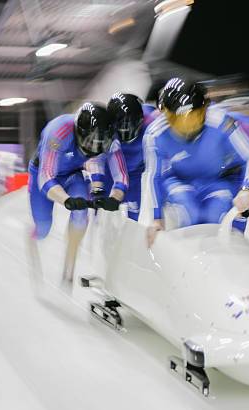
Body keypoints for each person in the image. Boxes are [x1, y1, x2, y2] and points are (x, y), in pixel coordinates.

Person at [144, 78, 249, 245]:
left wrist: (246, 189)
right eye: (178, 119)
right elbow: (153, 176)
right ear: (166, 114)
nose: (187, 127)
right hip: (179, 180)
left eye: (194, 117)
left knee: (216, 216)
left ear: (205, 109)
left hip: (216, 180)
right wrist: (156, 218)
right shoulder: (154, 134)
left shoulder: (221, 121)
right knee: (189, 213)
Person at [28, 102, 117, 287]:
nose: (94, 147)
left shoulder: (104, 139)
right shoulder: (58, 132)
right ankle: (33, 237)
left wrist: (98, 190)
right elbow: (46, 177)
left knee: (82, 213)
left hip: (72, 175)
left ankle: (70, 264)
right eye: (90, 141)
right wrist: (66, 200)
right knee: (44, 227)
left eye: (99, 143)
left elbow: (97, 163)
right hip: (43, 173)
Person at [86, 92, 156, 220]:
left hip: (134, 174)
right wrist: (97, 186)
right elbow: (97, 157)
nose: (125, 130)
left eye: (130, 125)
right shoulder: (105, 128)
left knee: (133, 215)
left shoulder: (153, 121)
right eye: (121, 126)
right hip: (110, 171)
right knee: (98, 210)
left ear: (141, 120)